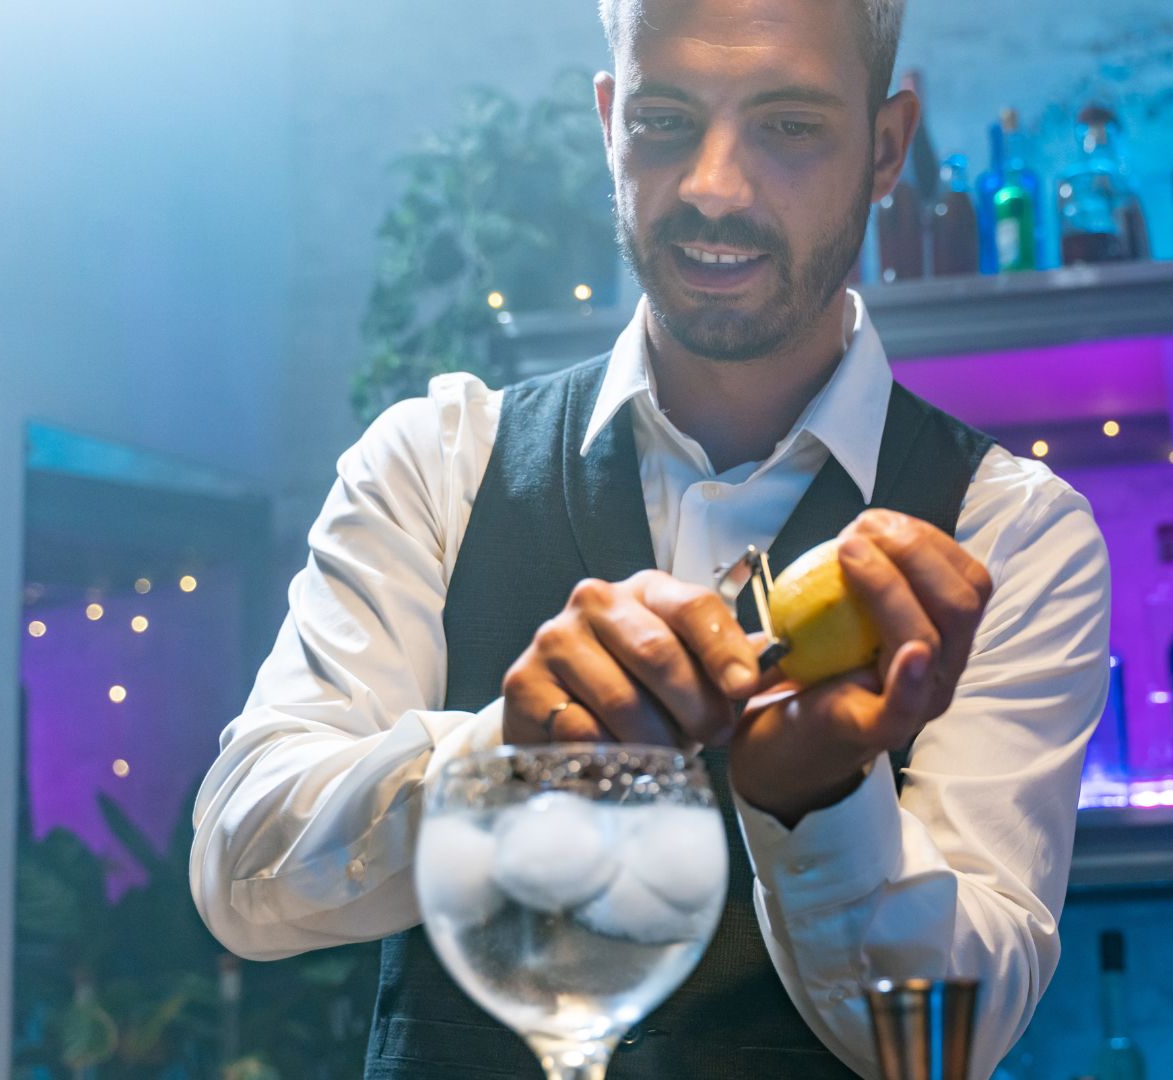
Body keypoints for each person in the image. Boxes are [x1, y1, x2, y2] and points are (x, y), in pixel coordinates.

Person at [187, 0, 1112, 1077]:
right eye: (666, 119)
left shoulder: (1014, 534)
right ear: (607, 119)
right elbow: (239, 871)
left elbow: (955, 1032)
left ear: (886, 147)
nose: (715, 185)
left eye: (790, 126)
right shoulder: (439, 462)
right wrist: (506, 759)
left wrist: (818, 798)